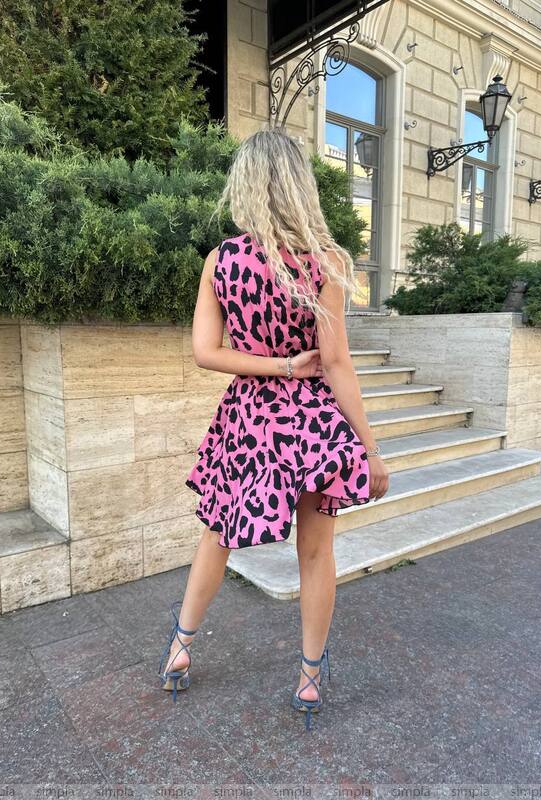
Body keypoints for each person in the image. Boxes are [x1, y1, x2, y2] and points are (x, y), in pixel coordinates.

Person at [157, 127, 390, 731]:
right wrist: (370, 451)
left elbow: (206, 352)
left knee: (217, 535)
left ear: (246, 185)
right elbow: (336, 364)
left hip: (249, 420)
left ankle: (181, 648)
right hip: (311, 422)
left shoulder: (222, 261)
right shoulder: (328, 262)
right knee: (315, 551)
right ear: (300, 187)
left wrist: (271, 367)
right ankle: (309, 680)